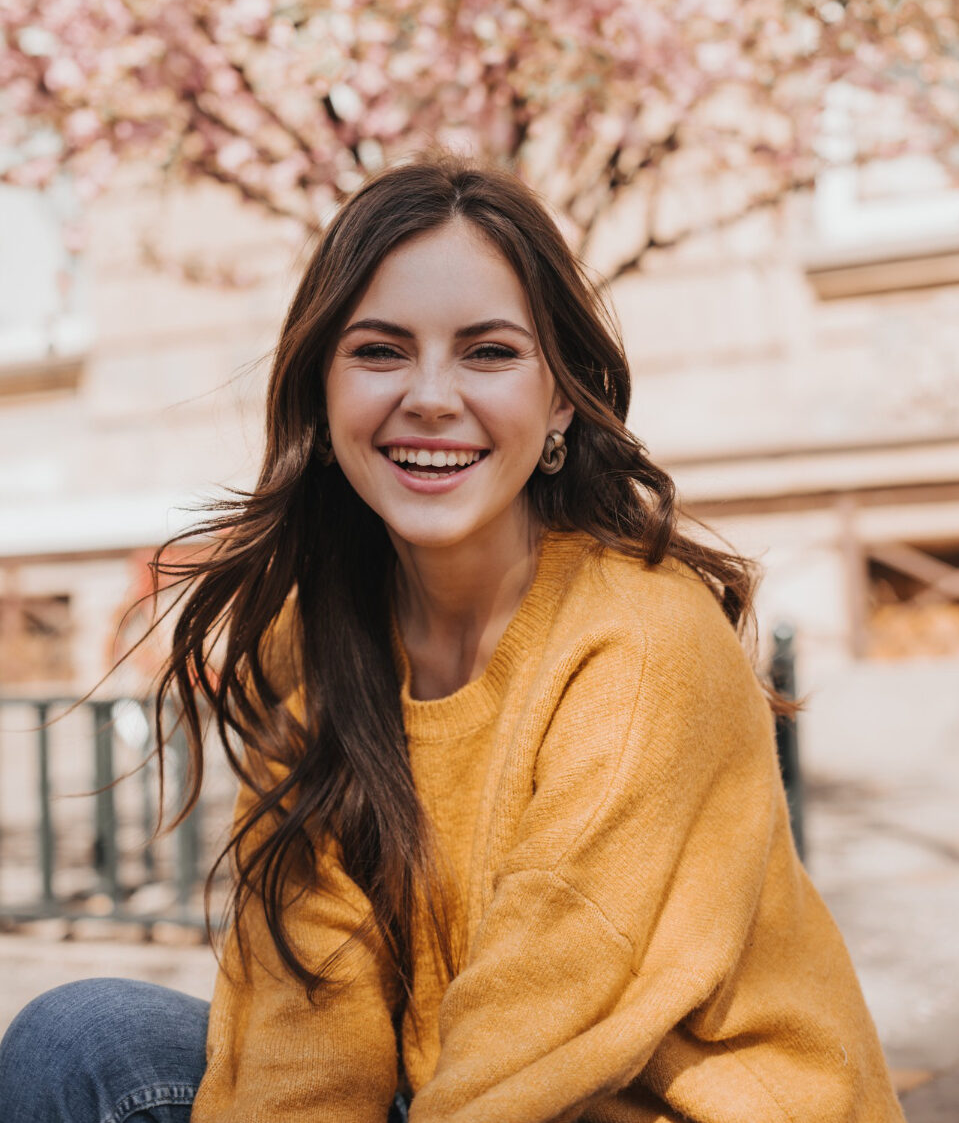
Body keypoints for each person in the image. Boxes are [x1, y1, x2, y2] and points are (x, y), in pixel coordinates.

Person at [0, 153, 905, 1122]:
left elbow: (528, 1046)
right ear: (321, 390)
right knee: (80, 1039)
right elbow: (303, 1021)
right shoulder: (316, 641)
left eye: (488, 353)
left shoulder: (639, 645)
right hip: (451, 1088)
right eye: (381, 351)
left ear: (560, 399)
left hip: (647, 1105)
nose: (431, 396)